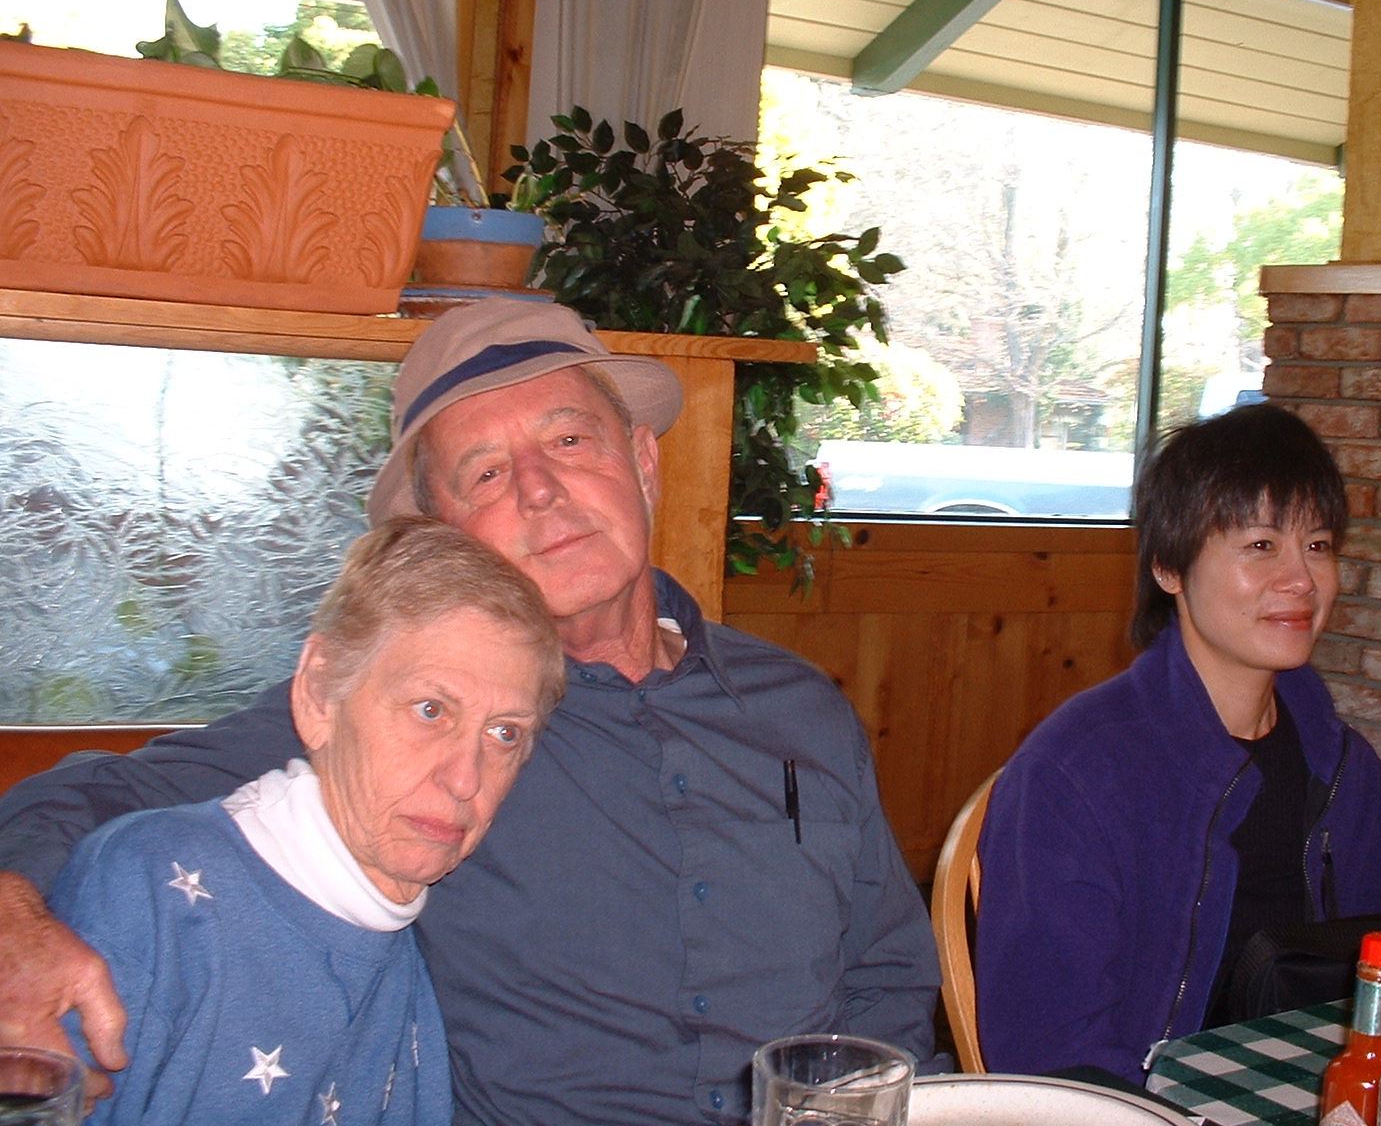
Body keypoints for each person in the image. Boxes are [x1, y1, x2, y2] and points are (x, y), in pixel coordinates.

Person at [0, 299, 940, 1126]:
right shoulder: (417, 730)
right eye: (486, 474)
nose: (540, 490)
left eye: (569, 442)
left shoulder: (798, 708)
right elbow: (92, 796)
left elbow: (886, 977)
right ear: (446, 535)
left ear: (642, 462)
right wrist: (10, 913)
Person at [50, 515, 564, 1126]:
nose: (464, 779)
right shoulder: (153, 897)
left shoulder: (420, 957)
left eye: (504, 733)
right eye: (430, 710)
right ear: (319, 695)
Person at [975, 403, 1381, 1084]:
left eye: (1319, 545)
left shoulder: (1347, 770)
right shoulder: (1075, 775)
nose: (1302, 580)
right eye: (1261, 546)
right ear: (1169, 568)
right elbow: (1048, 1052)